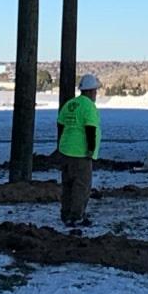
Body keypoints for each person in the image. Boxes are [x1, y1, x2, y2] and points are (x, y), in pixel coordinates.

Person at [57, 73, 102, 226]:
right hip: (80, 153)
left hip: (65, 150)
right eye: (95, 91)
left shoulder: (70, 104)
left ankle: (65, 213)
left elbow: (61, 123)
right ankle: (76, 216)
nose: (96, 94)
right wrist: (90, 149)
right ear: (90, 91)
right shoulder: (88, 107)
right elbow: (90, 129)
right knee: (81, 186)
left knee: (68, 184)